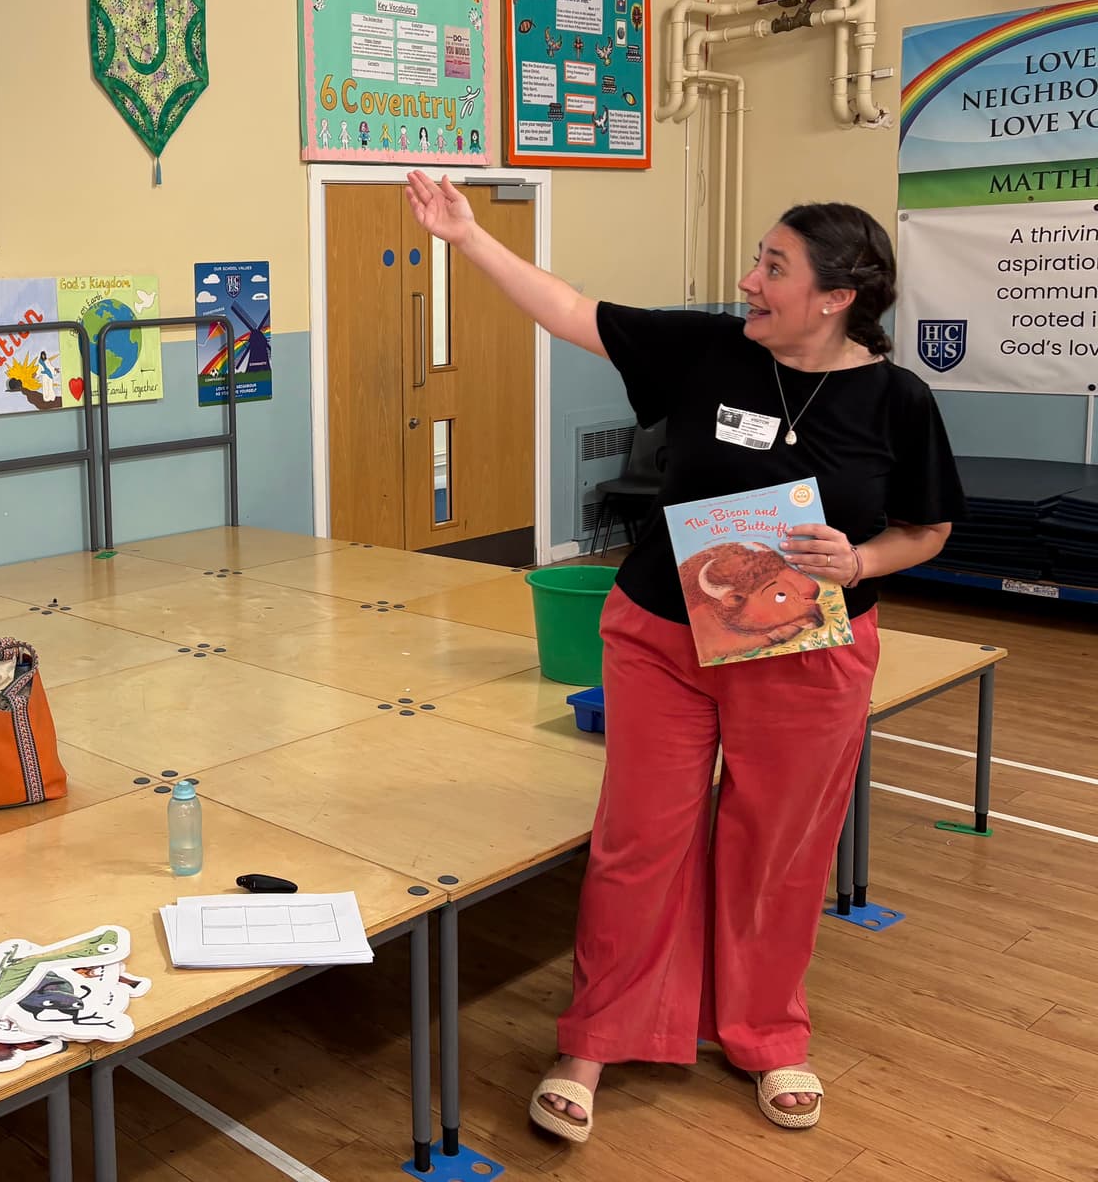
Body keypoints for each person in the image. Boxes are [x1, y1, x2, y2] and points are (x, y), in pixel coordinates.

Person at [405, 174, 963, 1140]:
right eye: (756, 258)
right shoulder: (708, 348)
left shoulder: (896, 399)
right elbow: (575, 312)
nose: (749, 280)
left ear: (835, 299)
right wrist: (468, 239)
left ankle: (765, 1033)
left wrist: (863, 557)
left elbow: (930, 528)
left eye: (773, 268)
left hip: (806, 652)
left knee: (777, 851)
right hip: (664, 640)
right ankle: (597, 1034)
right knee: (639, 840)